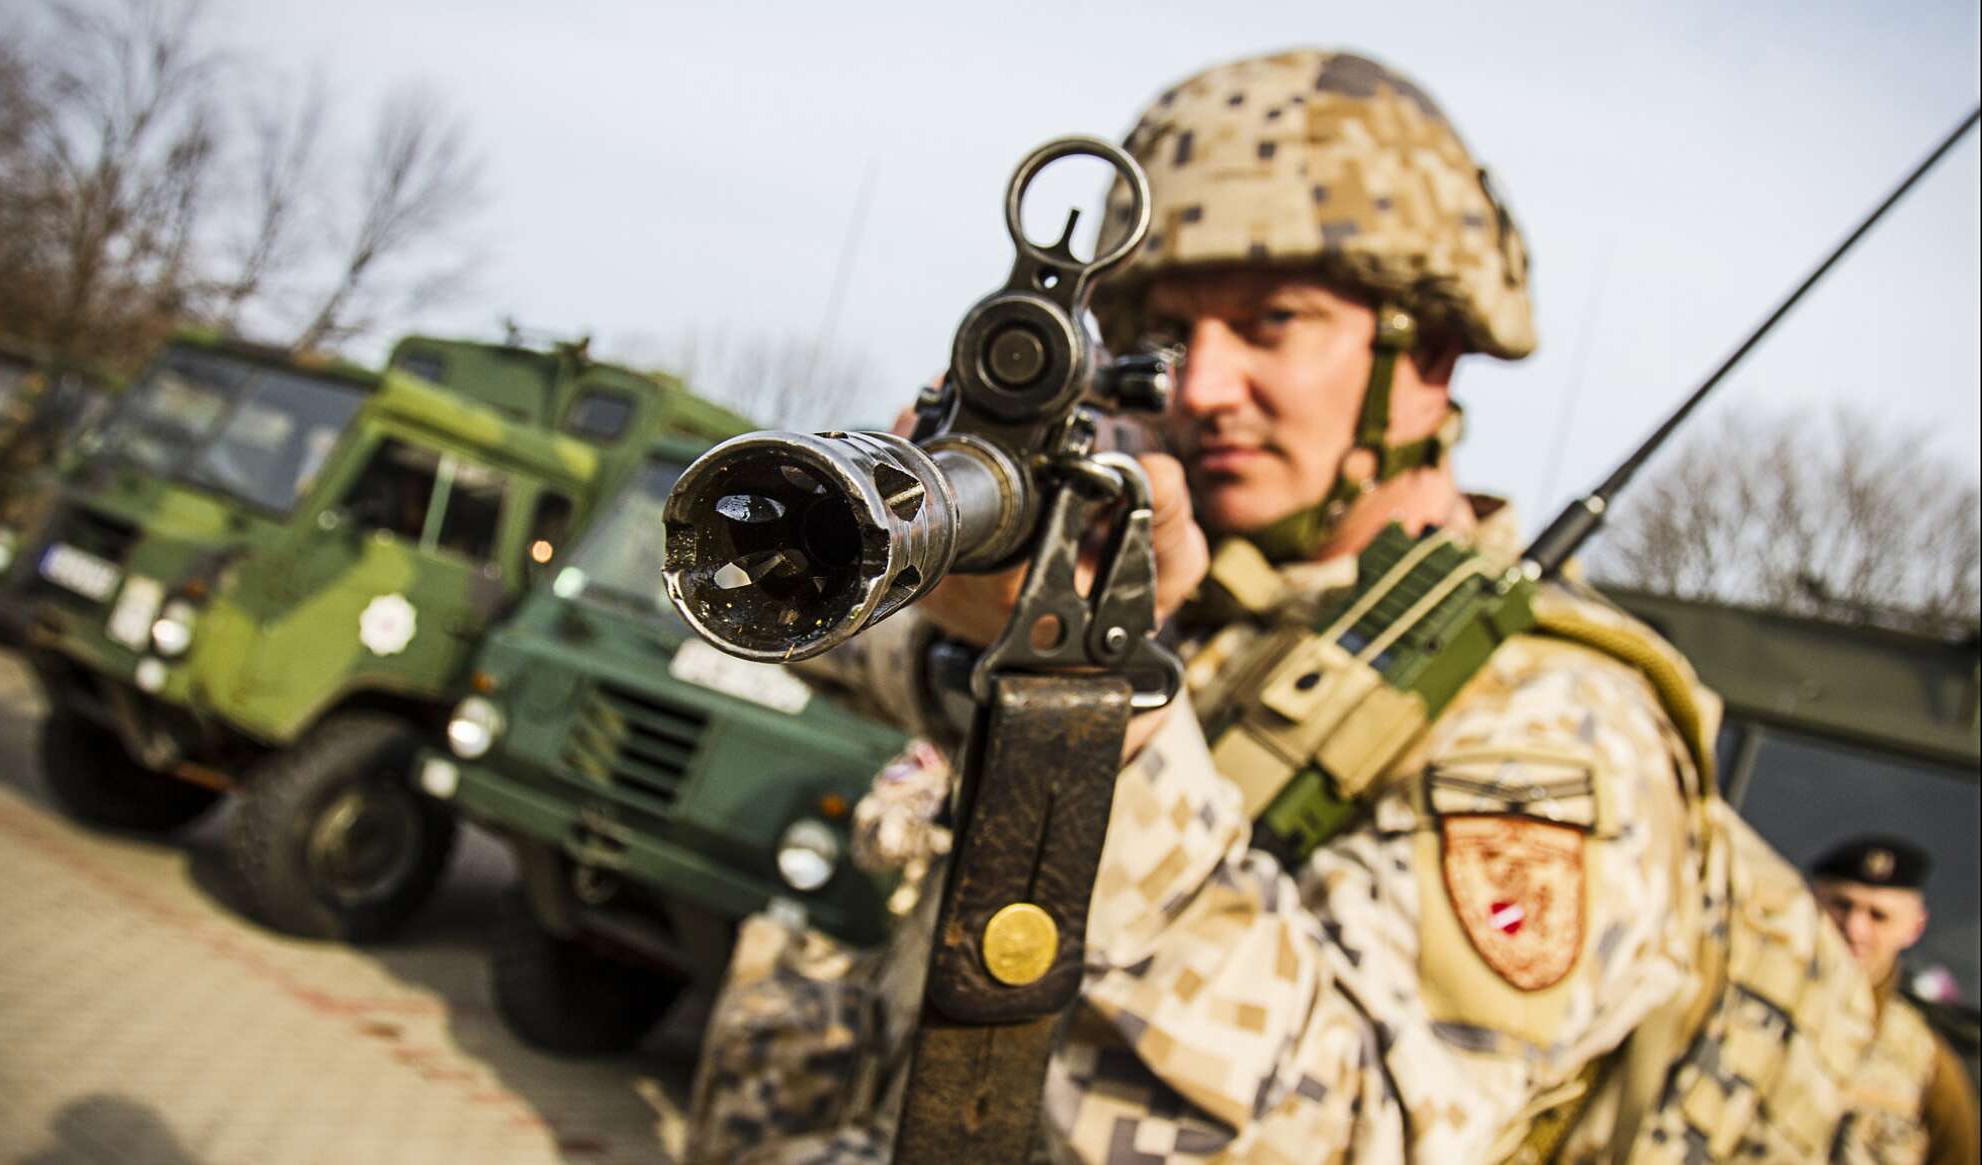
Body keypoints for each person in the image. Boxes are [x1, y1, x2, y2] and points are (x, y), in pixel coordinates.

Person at [685, 48, 1924, 1164]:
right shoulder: (1214, 598)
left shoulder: (1557, 718)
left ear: (1425, 351)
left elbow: (1360, 1125)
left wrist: (1096, 702)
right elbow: (897, 670)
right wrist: (956, 575)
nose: (1205, 383)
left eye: (1272, 322)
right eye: (1165, 332)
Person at [1809, 836, 1981, 1165]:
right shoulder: (1744, 1005)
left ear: (1914, 928)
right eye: (1842, 905)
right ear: (1811, 901)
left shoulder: (1926, 1061)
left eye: (1878, 916)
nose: (1854, 929)